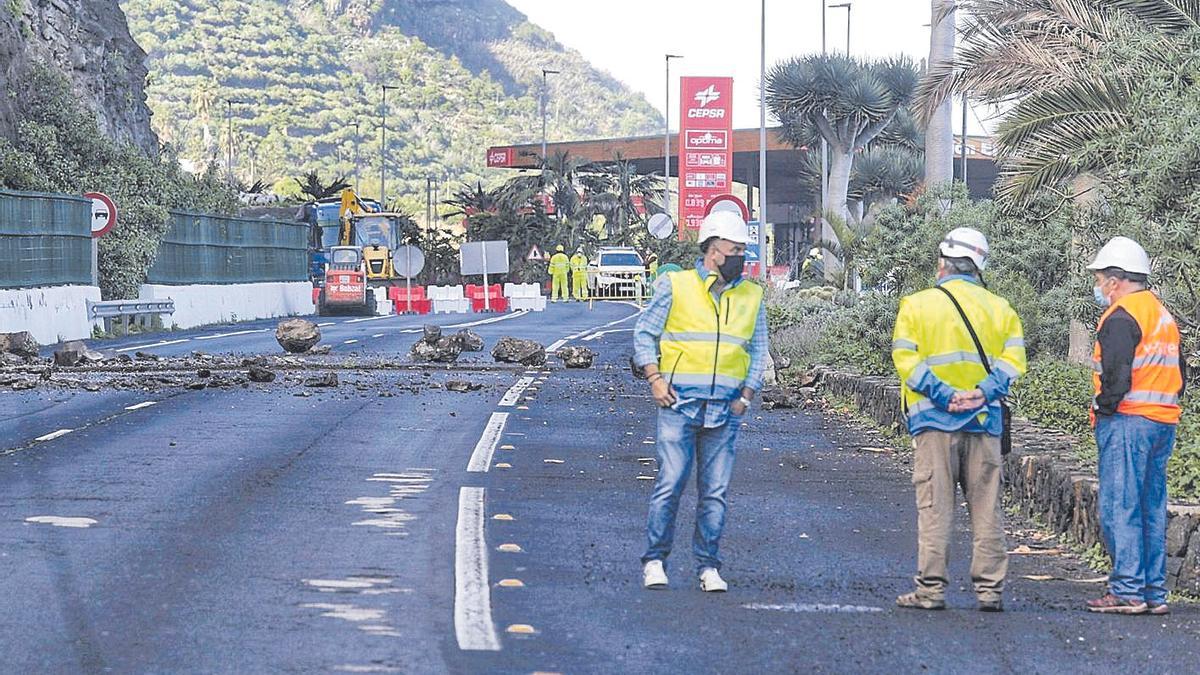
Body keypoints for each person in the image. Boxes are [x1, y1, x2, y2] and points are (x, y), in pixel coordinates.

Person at [891, 227, 1027, 612]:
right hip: (984, 423)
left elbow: (906, 361)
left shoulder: (917, 305)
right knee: (987, 509)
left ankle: (931, 591)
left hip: (935, 423)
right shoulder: (1001, 309)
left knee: (935, 508)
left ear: (942, 263)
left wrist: (945, 396)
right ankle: (990, 592)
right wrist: (982, 393)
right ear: (978, 266)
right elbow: (1014, 361)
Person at [632, 210, 768, 593]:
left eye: (744, 249)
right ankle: (655, 560)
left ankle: (708, 566)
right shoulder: (676, 286)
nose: (741, 256)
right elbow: (644, 334)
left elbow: (758, 350)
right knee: (671, 482)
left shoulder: (752, 295)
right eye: (735, 248)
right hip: (678, 405)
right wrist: (654, 379)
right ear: (712, 251)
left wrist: (747, 394)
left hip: (726, 410)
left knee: (715, 493)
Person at [1084, 237, 1185, 616]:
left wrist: (1102, 407)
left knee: (1120, 506)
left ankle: (1127, 590)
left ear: (1116, 279)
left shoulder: (1121, 317)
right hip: (1162, 422)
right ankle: (1152, 592)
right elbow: (1181, 373)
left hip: (1127, 422)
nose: (1099, 287)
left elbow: (1116, 378)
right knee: (1150, 508)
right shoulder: (1161, 314)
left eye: (1100, 278)